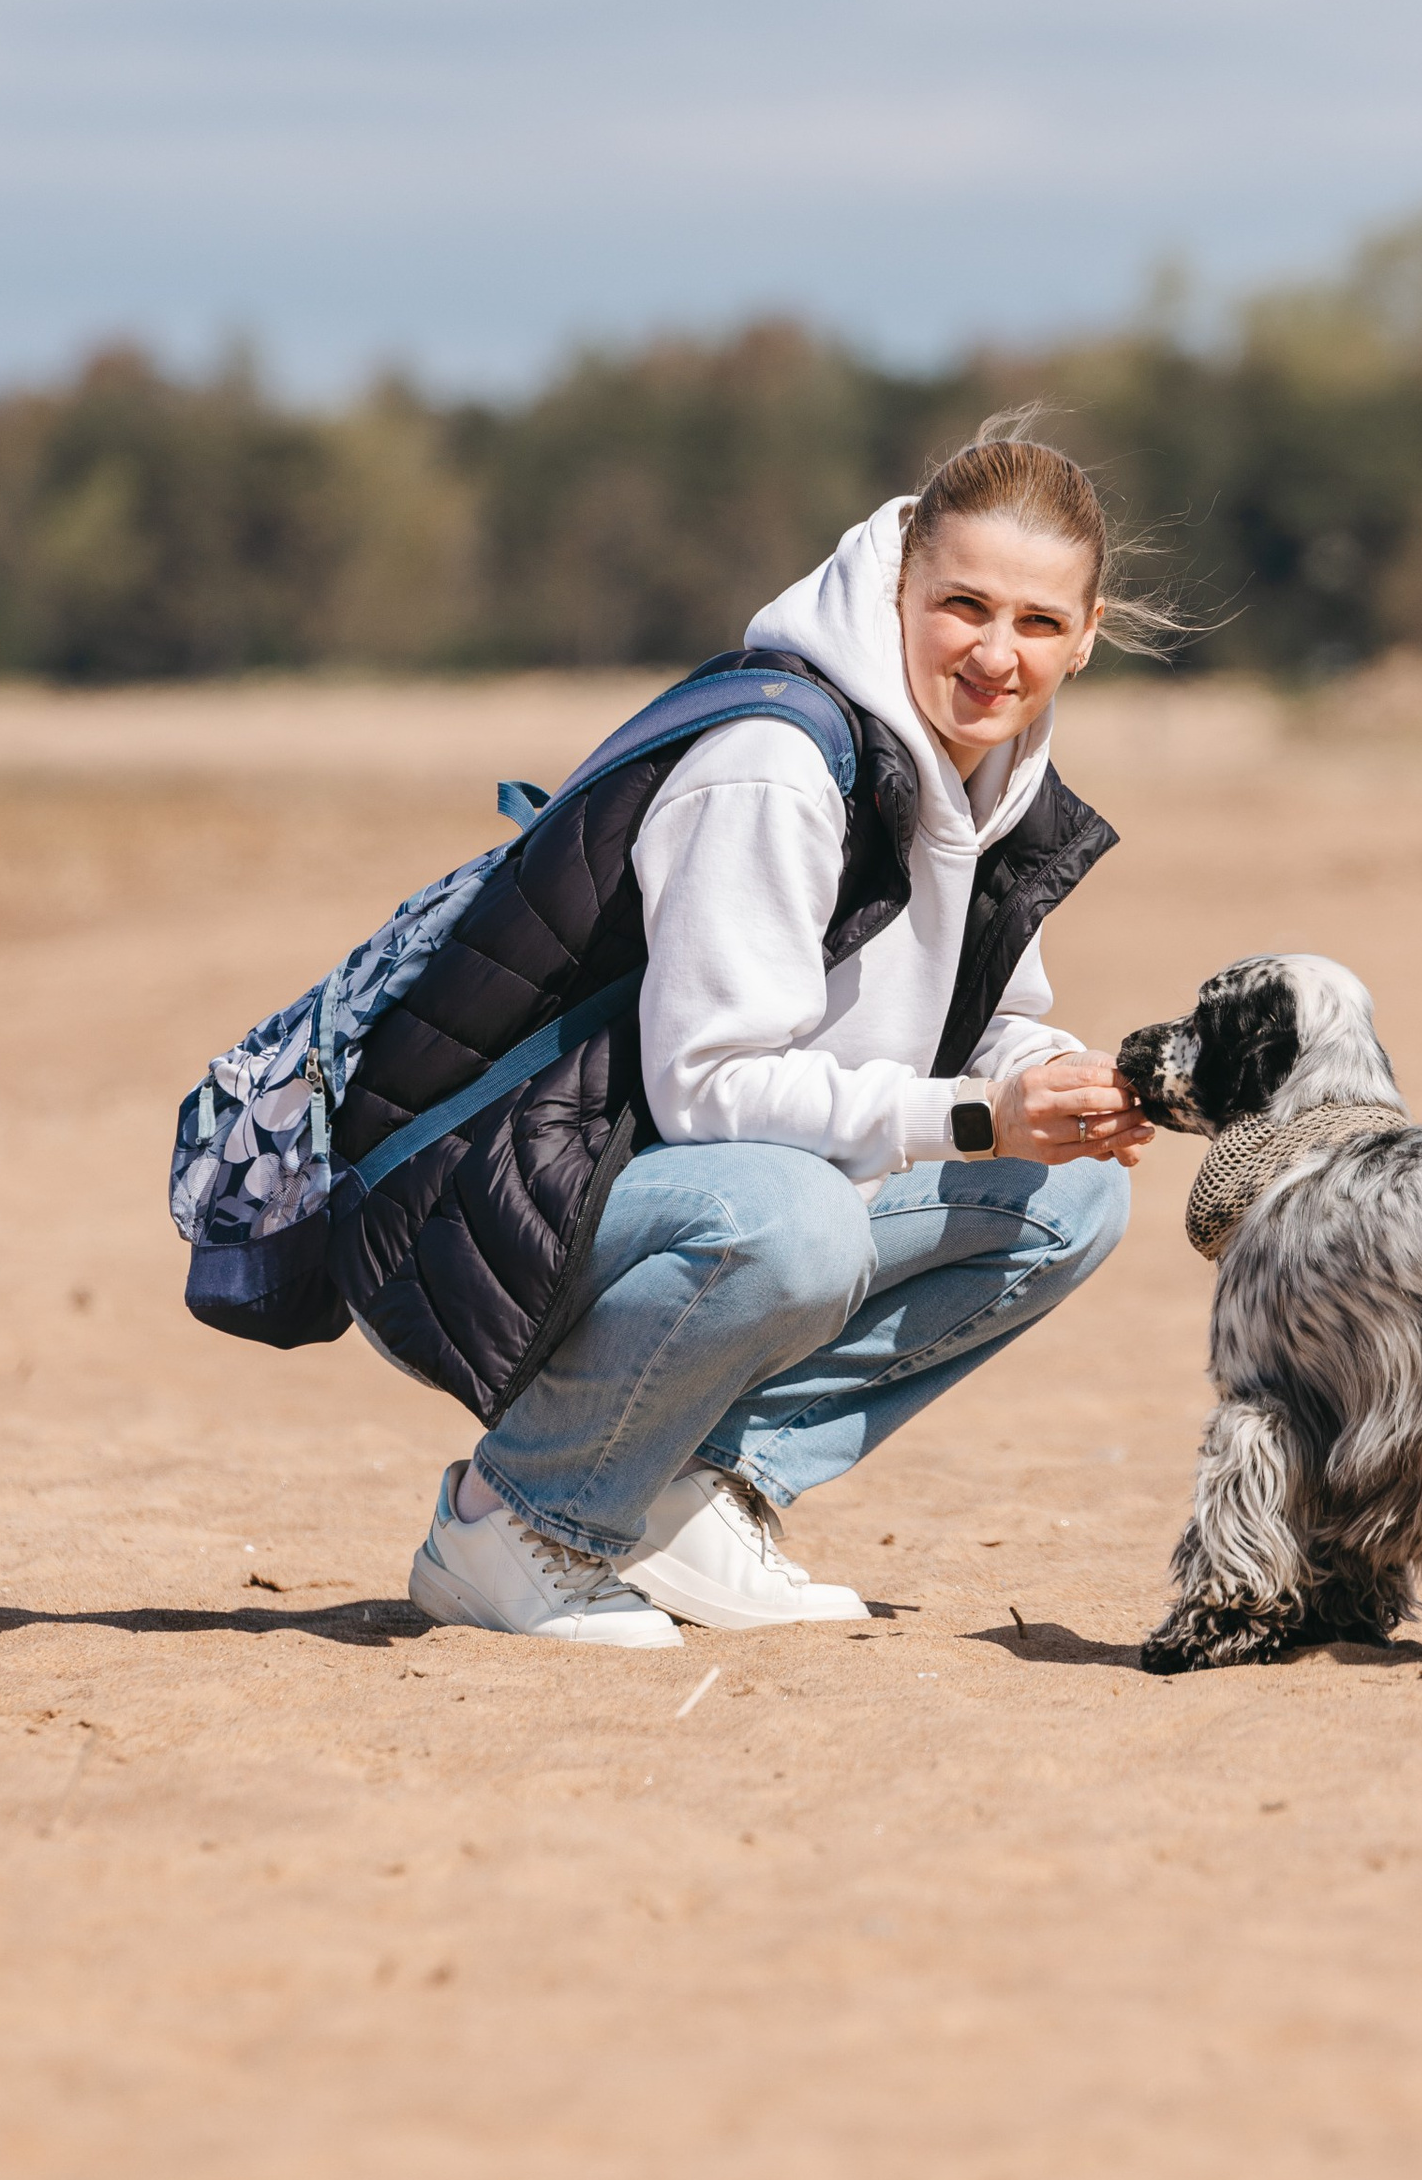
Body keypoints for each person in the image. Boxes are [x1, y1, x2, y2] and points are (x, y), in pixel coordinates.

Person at [406, 424, 1153, 1644]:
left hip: (700, 1183)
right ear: (900, 584)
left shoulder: (997, 778)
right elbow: (705, 1085)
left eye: (1035, 622)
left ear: (1087, 633)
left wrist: (1050, 1086)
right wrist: (973, 1114)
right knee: (792, 1222)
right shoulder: (777, 764)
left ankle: (698, 1495)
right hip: (511, 1198)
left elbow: (996, 1026)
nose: (994, 652)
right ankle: (515, 1516)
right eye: (962, 604)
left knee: (1067, 1200)